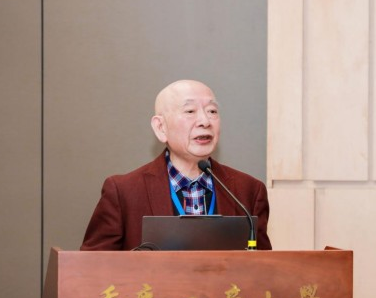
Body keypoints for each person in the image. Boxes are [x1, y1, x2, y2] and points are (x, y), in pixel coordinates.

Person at [80, 79, 272, 251]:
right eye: (190, 111)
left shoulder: (249, 191)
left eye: (212, 111)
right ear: (160, 127)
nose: (205, 121)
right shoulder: (124, 192)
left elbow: (265, 269)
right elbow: (93, 268)